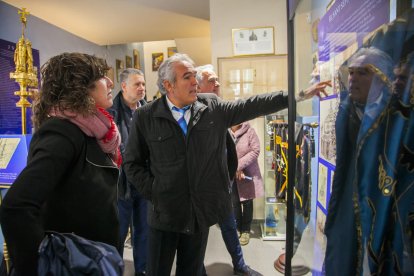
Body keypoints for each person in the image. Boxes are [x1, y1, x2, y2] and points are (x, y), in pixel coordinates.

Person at [123, 53, 324, 276]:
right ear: (168, 85)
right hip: (164, 215)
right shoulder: (145, 116)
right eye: (187, 77)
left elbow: (253, 105)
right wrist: (155, 192)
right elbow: (132, 163)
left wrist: (298, 95)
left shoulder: (211, 107)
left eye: (194, 76)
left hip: (199, 214)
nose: (194, 82)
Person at [0, 52, 121, 275]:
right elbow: (17, 206)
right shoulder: (63, 132)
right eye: (102, 76)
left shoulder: (91, 129)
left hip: (93, 257)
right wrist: (38, 266)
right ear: (80, 87)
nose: (111, 82)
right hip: (76, 262)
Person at [323, 47, 414, 275]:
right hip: (349, 203)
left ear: (382, 78)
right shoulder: (346, 113)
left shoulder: (398, 118)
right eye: (351, 72)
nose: (353, 78)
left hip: (386, 206)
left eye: (363, 72)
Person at [196, 64, 260, 276]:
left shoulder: (221, 110)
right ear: (198, 85)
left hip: (223, 183)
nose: (218, 84)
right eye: (212, 80)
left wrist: (232, 169)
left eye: (218, 80)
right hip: (200, 188)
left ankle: (240, 266)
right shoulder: (191, 114)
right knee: (200, 233)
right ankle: (198, 269)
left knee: (229, 227)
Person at [108, 68, 148, 276]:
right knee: (118, 233)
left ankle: (142, 270)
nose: (142, 88)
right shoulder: (110, 112)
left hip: (145, 182)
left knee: (144, 232)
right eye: (137, 84)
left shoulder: (149, 110)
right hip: (120, 185)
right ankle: (114, 271)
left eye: (143, 84)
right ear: (123, 87)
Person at [230, 122, 263, 246]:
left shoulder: (250, 131)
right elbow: (222, 151)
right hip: (232, 173)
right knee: (235, 202)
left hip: (248, 173)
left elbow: (255, 150)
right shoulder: (225, 132)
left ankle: (246, 230)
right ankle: (237, 227)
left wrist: (238, 166)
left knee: (247, 202)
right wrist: (234, 168)